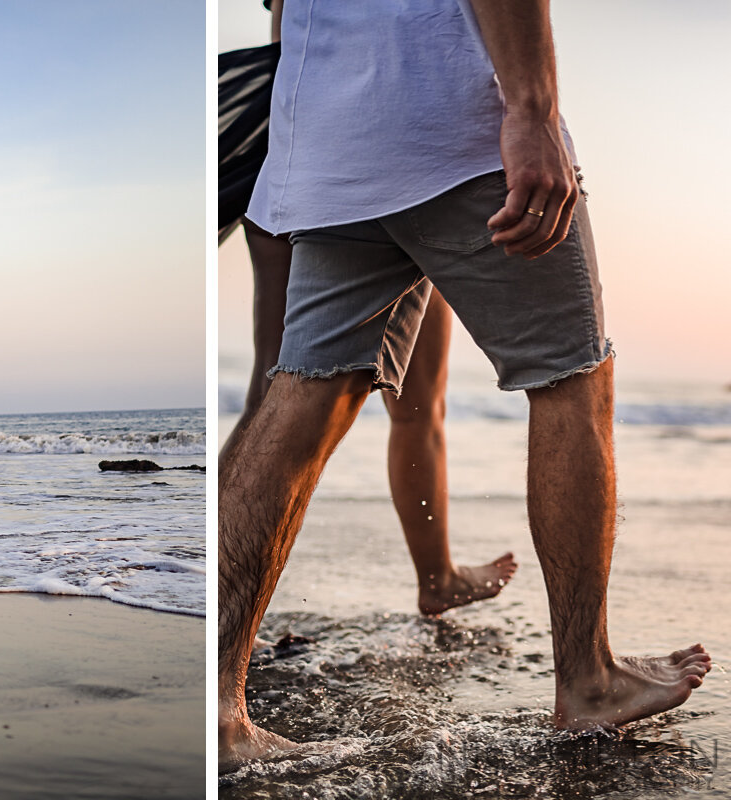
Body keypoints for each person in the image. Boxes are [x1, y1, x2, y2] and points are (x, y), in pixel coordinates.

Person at [219, 0, 709, 764]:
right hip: (449, 124)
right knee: (572, 381)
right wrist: (532, 110)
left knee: (298, 394)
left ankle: (219, 706)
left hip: (324, 144)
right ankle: (589, 678)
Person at [224, 0, 518, 617]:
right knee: (415, 406)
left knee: (271, 395)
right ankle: (436, 577)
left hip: (284, 158)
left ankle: (223, 588)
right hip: (380, 155)